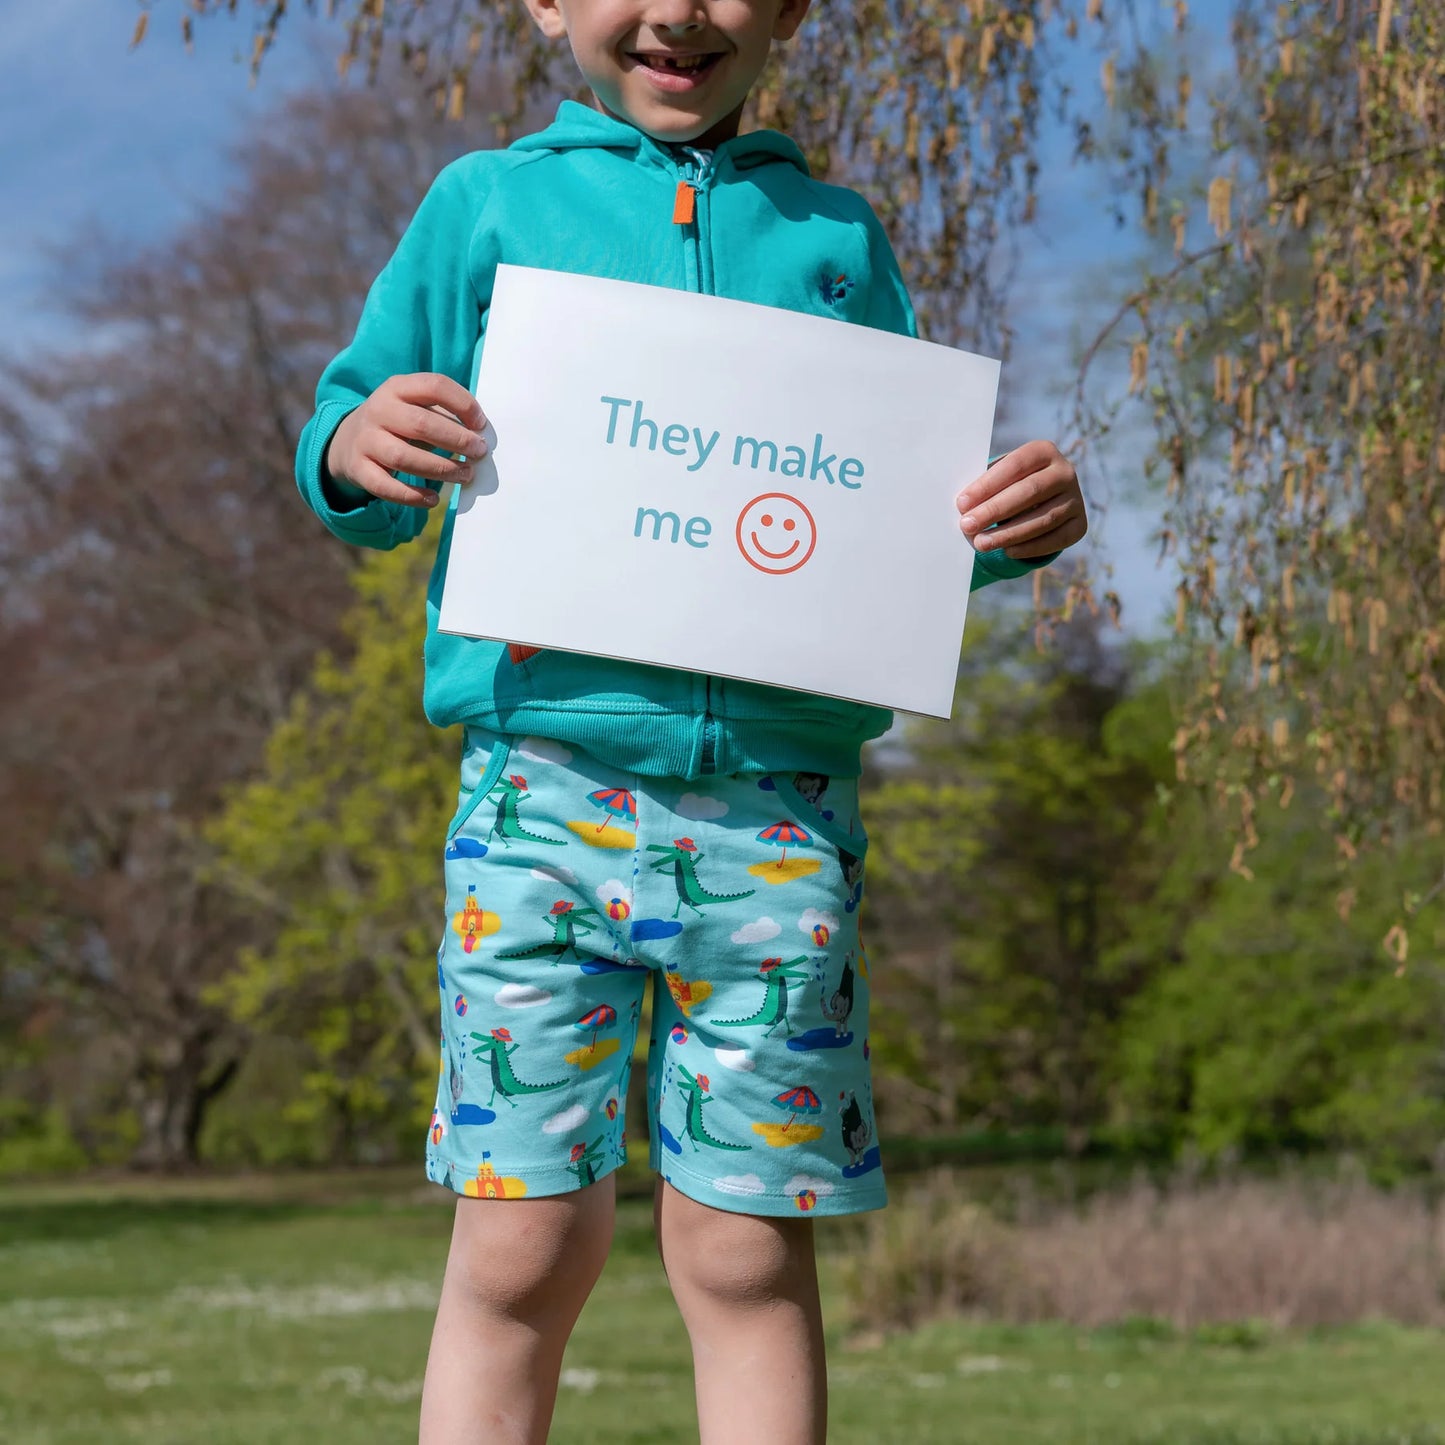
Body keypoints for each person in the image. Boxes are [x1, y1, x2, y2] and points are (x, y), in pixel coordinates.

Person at [296, 1, 1088, 1440]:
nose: (676, 8)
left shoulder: (837, 239)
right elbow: (354, 438)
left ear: (790, 8)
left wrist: (998, 528)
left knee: (744, 1252)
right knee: (520, 1245)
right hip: (538, 798)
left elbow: (883, 524)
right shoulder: (484, 205)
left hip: (779, 819)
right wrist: (354, 445)